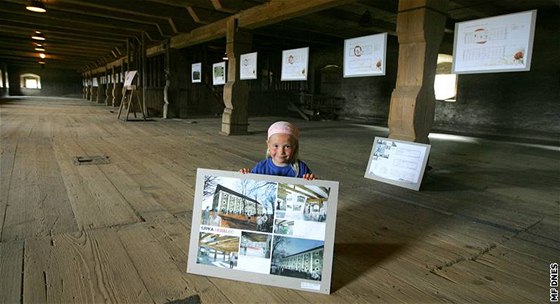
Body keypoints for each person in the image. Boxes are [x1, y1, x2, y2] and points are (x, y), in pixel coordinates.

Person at [240, 121, 315, 180]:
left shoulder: (301, 168)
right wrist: (244, 175)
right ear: (268, 145)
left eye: (287, 146)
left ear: (294, 146)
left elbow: (315, 186)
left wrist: (311, 180)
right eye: (276, 146)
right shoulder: (261, 167)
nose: (281, 152)